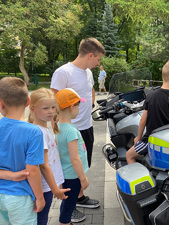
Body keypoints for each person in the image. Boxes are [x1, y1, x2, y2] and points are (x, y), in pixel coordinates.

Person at [51, 37, 104, 221]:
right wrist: (54, 130)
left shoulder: (88, 72)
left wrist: (92, 103)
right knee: (69, 170)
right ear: (90, 55)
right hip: (69, 130)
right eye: (98, 59)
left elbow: (89, 91)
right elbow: (52, 102)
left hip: (86, 127)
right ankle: (69, 206)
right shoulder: (63, 72)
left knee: (83, 164)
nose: (98, 64)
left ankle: (79, 197)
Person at [0, 77, 45, 225]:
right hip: (20, 197)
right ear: (28, 102)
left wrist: (10, 176)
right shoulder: (33, 132)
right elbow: (32, 171)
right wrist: (40, 198)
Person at [126, 60, 169, 164]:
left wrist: (138, 138)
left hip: (151, 141)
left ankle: (140, 179)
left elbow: (142, 121)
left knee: (129, 155)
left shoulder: (150, 96)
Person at [28, 88, 71, 225]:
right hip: (43, 186)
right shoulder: (39, 132)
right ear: (32, 108)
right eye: (46, 108)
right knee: (41, 218)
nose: (51, 111)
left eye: (53, 107)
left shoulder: (42, 129)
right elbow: (44, 165)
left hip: (45, 184)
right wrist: (55, 189)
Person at [55, 88, 90, 225]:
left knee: (67, 202)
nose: (79, 109)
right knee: (69, 205)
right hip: (73, 176)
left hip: (65, 174)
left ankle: (65, 221)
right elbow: (75, 158)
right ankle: (64, 222)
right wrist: (83, 178)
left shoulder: (58, 126)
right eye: (78, 106)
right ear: (71, 107)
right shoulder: (70, 131)